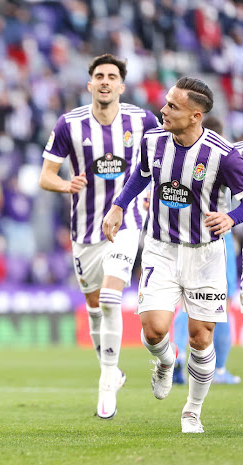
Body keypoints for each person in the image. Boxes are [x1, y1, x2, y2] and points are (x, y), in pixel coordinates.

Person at [103, 77, 243, 433]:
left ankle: (192, 410)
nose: (163, 111)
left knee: (200, 337)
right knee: (153, 331)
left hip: (206, 256)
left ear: (196, 116)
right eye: (165, 102)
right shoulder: (153, 141)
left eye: (173, 107)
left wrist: (231, 217)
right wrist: (119, 205)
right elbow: (142, 175)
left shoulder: (223, 155)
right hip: (161, 249)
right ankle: (166, 362)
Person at [39, 54, 159, 420]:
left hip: (126, 222)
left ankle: (107, 380)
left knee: (110, 297)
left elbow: (164, 160)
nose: (105, 81)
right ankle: (112, 368)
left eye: (112, 76)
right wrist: (65, 184)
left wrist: (155, 189)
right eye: (99, 76)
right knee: (94, 309)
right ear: (90, 84)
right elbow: (46, 176)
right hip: (84, 231)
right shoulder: (69, 124)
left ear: (121, 86)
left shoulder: (142, 121)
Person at [170, 116, 241, 385]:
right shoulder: (227, 156)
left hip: (179, 237)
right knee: (218, 304)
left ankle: (176, 357)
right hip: (216, 238)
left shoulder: (180, 157)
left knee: (187, 303)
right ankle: (219, 370)